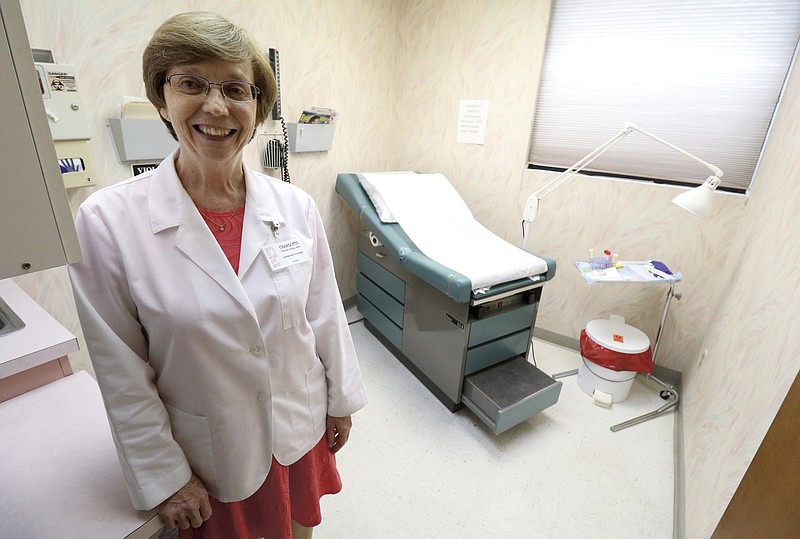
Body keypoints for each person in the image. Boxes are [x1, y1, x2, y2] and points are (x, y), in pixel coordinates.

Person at [68, 11, 367, 539]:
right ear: (162, 99)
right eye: (191, 83)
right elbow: (120, 369)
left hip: (298, 427)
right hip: (211, 451)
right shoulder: (108, 221)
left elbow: (322, 315)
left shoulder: (294, 206)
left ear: (257, 109)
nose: (215, 106)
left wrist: (340, 401)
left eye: (236, 88)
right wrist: (164, 475)